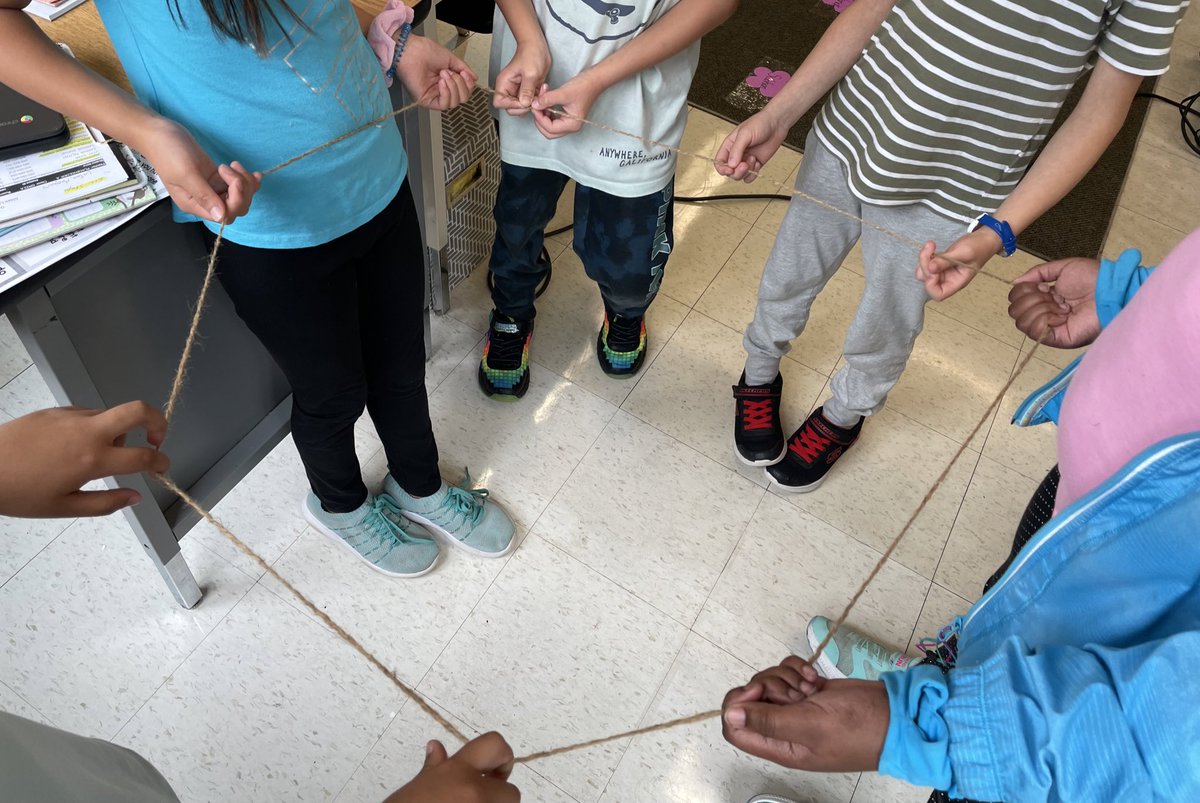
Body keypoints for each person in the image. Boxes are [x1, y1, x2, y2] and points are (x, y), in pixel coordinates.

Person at [0, 0, 516, 578]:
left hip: (375, 178)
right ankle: (339, 503)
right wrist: (147, 131)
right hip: (267, 229)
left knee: (399, 367)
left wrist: (395, 46)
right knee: (332, 392)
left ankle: (417, 483)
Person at [721, 227, 1200, 801]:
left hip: (1063, 740)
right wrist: (1137, 296)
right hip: (1095, 505)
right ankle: (952, 672)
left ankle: (953, 698)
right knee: (1010, 595)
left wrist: (932, 730)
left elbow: (1171, 741)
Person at [717, 0, 1187, 492]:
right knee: (790, 270)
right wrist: (779, 114)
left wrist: (997, 230)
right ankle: (759, 370)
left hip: (956, 189)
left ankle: (845, 414)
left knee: (890, 316)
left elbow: (1101, 111)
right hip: (852, 129)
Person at [0, 401, 522, 801]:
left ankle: (415, 488)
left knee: (391, 355)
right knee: (329, 381)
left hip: (87, 776)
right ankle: (339, 505)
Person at [476, 0, 738, 398]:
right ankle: (511, 310)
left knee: (629, 255)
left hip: (639, 97)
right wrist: (529, 41)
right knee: (518, 219)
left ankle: (625, 312)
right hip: (534, 72)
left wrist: (597, 80)